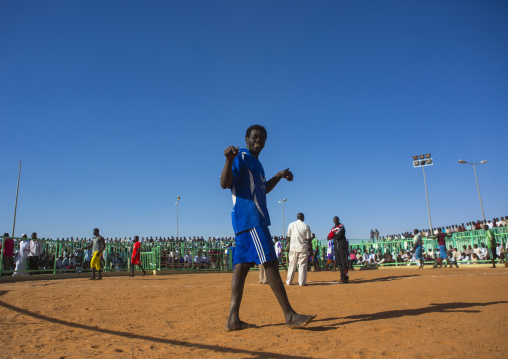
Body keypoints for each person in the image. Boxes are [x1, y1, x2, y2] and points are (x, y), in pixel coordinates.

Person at [220, 124, 316, 331]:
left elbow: (263, 190)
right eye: (255, 137)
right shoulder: (241, 156)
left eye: (262, 139)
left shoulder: (257, 163)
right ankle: (289, 315)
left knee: (241, 268)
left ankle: (233, 320)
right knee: (270, 261)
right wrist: (228, 160)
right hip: (252, 218)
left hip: (245, 221)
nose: (259, 141)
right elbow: (225, 183)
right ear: (246, 138)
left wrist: (279, 175)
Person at [285, 213, 312, 286]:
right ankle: (302, 282)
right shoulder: (306, 226)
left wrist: (286, 247)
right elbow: (309, 240)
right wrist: (311, 250)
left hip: (293, 247)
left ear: (297, 217)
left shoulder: (291, 224)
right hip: (302, 247)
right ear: (303, 218)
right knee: (302, 265)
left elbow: (288, 238)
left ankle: (289, 281)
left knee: (292, 265)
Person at [327, 216, 349, 283]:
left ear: (339, 220)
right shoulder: (333, 228)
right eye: (334, 219)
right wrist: (333, 235)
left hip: (342, 246)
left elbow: (339, 234)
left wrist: (333, 235)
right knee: (339, 263)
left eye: (336, 219)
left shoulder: (341, 226)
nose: (335, 220)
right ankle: (342, 277)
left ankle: (346, 277)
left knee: (344, 262)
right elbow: (328, 237)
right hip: (336, 247)